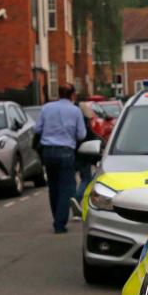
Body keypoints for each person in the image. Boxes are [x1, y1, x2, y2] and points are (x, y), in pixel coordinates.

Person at [35, 83, 86, 233]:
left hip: (48, 151)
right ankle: (60, 222)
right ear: (72, 95)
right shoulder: (75, 111)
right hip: (65, 151)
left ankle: (56, 217)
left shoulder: (46, 108)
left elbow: (37, 129)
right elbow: (81, 134)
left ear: (58, 94)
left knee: (54, 187)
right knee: (68, 188)